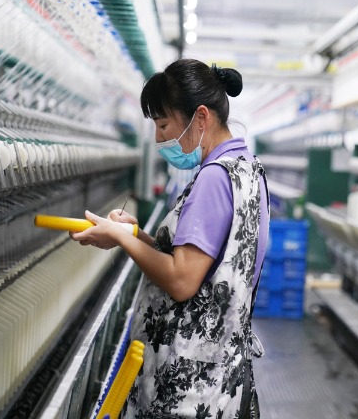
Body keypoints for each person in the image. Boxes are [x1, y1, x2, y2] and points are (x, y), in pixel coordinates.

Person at [70, 58, 270, 419]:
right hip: (218, 380)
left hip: (189, 391)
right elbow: (206, 269)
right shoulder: (246, 171)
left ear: (202, 117)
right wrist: (134, 235)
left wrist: (122, 238)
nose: (159, 138)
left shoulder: (213, 179)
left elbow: (181, 280)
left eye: (164, 125)